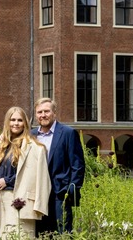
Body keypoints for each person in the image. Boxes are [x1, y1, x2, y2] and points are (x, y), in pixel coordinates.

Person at [0, 106, 51, 238]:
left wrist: (7, 180)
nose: (16, 123)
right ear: (7, 122)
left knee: (20, 236)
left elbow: (43, 179)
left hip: (21, 199)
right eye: (12, 120)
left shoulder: (36, 148)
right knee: (2, 236)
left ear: (25, 123)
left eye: (19, 120)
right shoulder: (0, 145)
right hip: (0, 198)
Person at [32, 97, 86, 235]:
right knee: (40, 233)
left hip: (60, 193)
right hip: (37, 194)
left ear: (54, 113)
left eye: (46, 111)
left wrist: (72, 189)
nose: (43, 115)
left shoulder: (68, 133)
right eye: (39, 112)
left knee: (63, 232)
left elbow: (77, 165)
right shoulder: (31, 135)